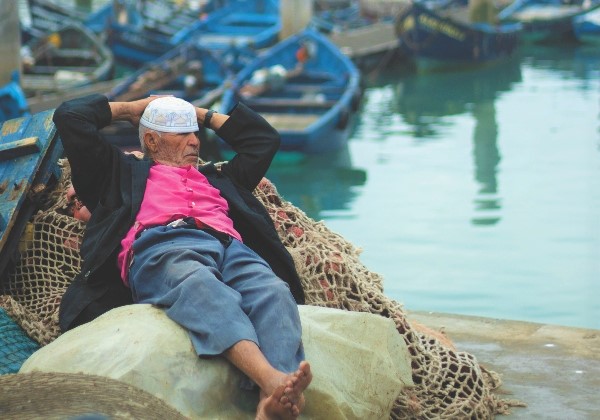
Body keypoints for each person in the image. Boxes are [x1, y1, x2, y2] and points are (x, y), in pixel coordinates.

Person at [53, 94, 312, 419]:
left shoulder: (219, 177)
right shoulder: (118, 174)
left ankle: (268, 404)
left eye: (195, 132)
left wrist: (198, 114)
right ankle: (271, 378)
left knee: (274, 292)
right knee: (200, 284)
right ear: (151, 140)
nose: (195, 141)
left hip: (229, 247)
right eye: (182, 134)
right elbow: (70, 117)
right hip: (162, 245)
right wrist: (133, 109)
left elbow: (263, 140)